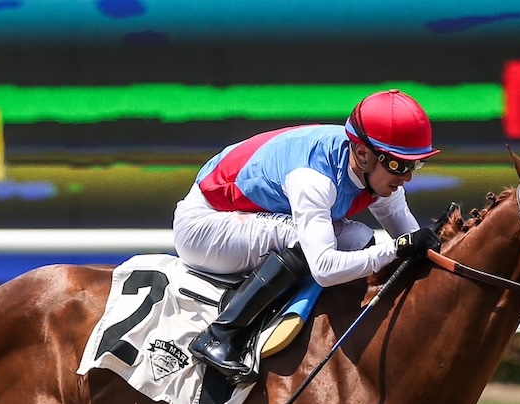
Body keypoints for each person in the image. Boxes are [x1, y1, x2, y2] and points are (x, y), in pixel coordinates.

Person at [175, 89, 444, 383]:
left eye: (415, 164)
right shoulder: (314, 178)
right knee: (311, 245)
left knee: (359, 239)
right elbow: (325, 269)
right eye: (399, 165)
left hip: (245, 218)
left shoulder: (373, 169)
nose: (407, 178)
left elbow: (414, 244)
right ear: (364, 155)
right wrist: (397, 248)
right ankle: (220, 335)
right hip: (204, 225)